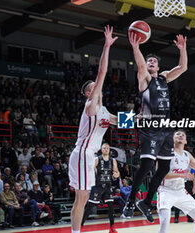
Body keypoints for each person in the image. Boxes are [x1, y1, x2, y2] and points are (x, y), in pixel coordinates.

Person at [123, 31, 188, 223]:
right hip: (149, 128)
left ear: (158, 67)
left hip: (165, 130)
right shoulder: (144, 78)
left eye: (153, 61)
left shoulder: (164, 78)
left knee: (164, 168)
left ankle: (146, 202)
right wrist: (136, 48)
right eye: (149, 60)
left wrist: (183, 49)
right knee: (146, 166)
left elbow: (183, 67)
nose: (150, 62)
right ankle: (131, 201)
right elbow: (141, 64)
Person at [69, 25, 118, 233]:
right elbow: (102, 71)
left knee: (85, 197)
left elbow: (122, 121)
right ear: (88, 94)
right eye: (92, 87)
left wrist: (146, 117)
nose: (95, 87)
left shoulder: (104, 111)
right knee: (81, 198)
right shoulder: (90, 106)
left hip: (89, 156)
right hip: (82, 153)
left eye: (94, 86)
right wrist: (106, 46)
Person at [81, 143, 120, 232]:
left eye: (107, 148)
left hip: (107, 185)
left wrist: (116, 175)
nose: (106, 149)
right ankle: (80, 226)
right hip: (97, 186)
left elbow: (117, 172)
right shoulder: (97, 159)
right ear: (101, 149)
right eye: (104, 148)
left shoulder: (113, 160)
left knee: (111, 207)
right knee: (90, 207)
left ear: (109, 150)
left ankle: (112, 227)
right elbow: (90, 170)